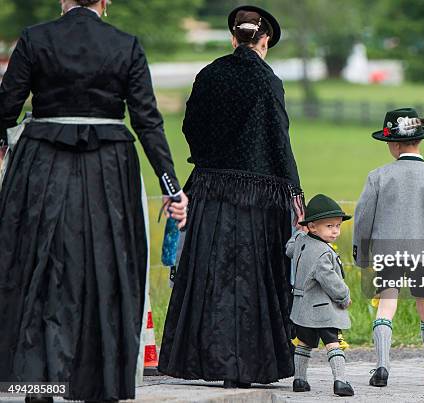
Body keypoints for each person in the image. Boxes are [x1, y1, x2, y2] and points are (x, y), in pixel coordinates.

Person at [0, 0, 187, 402]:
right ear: (105, 3)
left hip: (42, 167)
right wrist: (172, 186)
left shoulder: (35, 39)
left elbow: (5, 108)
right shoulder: (126, 43)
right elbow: (147, 120)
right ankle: (99, 386)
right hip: (107, 171)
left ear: (62, 1)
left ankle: (38, 386)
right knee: (105, 272)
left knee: (39, 269)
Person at [158, 5, 303, 388]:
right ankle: (252, 365)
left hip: (210, 189)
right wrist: (295, 189)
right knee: (254, 278)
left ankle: (205, 360)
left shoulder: (209, 74)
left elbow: (191, 127)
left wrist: (208, 161)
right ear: (265, 40)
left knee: (208, 274)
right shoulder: (267, 80)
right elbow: (278, 138)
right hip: (258, 196)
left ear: (232, 37)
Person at [353, 108, 424, 387]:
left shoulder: (378, 176)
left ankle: (382, 366)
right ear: (419, 140)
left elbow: (362, 220)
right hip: (422, 255)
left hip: (387, 252)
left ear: (395, 145)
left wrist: (360, 255)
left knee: (387, 304)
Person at [287, 194, 354, 397]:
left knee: (304, 342)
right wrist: (344, 297)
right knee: (333, 342)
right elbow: (331, 280)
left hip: (302, 307)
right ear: (313, 227)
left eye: (337, 226)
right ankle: (340, 381)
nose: (335, 231)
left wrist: (298, 234)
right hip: (323, 309)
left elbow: (289, 249)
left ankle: (300, 380)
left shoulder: (300, 242)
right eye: (329, 226)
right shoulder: (323, 253)